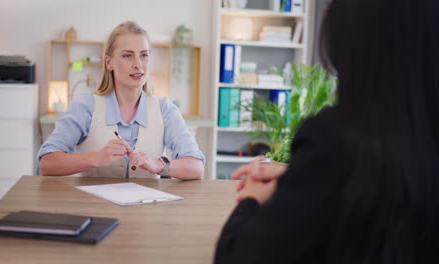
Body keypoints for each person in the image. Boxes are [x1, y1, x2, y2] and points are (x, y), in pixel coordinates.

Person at [214, 0, 439, 263]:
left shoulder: (332, 139)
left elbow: (238, 257)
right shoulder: (415, 136)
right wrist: (300, 175)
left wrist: (252, 198)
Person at [38, 21, 204, 180]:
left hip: (148, 208)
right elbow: (47, 163)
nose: (138, 64)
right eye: (127, 56)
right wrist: (96, 158)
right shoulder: (86, 106)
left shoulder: (165, 110)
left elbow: (196, 167)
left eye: (144, 55)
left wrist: (158, 165)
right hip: (94, 208)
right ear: (109, 62)